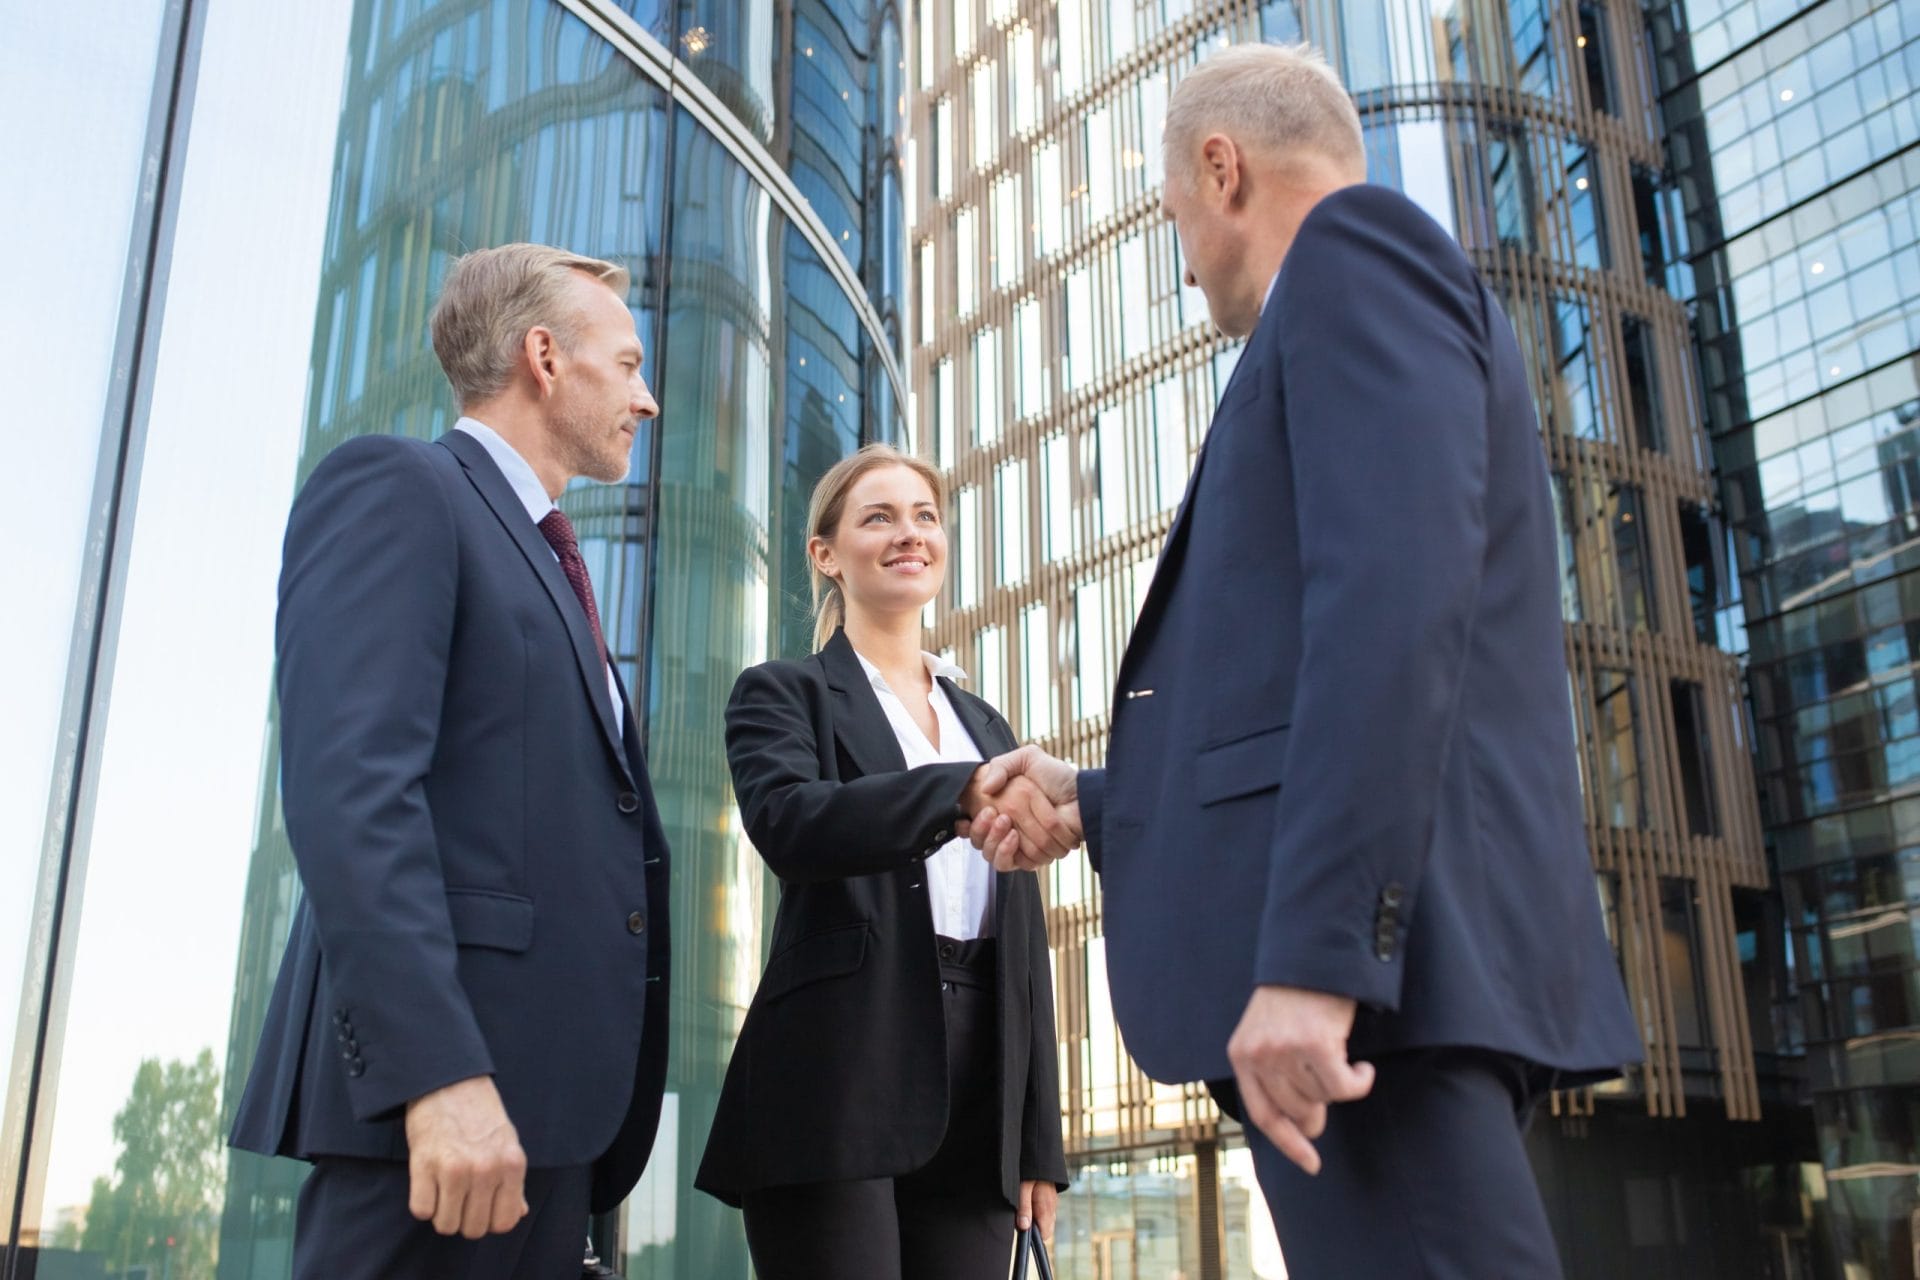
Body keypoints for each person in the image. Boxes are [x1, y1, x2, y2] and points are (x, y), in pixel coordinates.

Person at [966, 43, 1642, 1277]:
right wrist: (1097, 798)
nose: (1179, 262)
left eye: (1173, 213)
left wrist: (1317, 961)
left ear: (1221, 168)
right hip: (1384, 981)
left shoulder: (1353, 257)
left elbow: (1388, 609)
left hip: (1372, 996)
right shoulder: (1349, 298)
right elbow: (1302, 691)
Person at [229, 243, 673, 1278]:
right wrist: (438, 1073)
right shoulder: (403, 488)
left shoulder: (558, 565)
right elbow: (351, 794)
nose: (646, 399)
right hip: (438, 1117)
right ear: (544, 356)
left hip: (547, 1119)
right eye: (628, 362)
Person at [695, 444, 1073, 1279]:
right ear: (824, 554)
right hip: (836, 1081)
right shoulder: (782, 692)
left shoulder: (987, 725)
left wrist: (1037, 1138)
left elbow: (1023, 945)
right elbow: (791, 822)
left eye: (924, 516)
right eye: (879, 517)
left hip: (981, 1097)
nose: (910, 534)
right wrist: (955, 793)